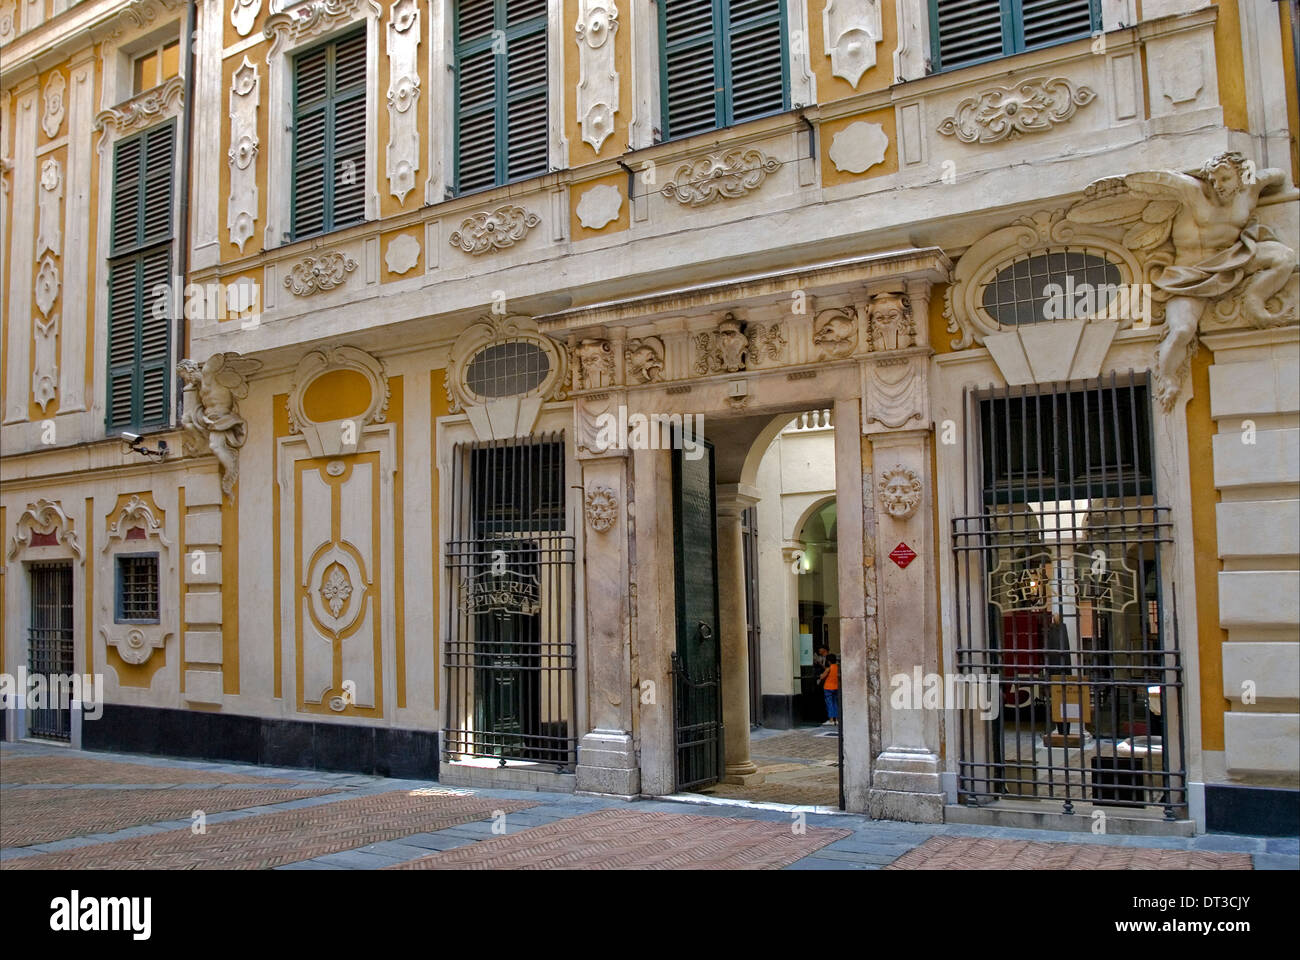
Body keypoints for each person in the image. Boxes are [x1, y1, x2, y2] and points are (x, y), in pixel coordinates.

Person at [819, 655, 840, 728]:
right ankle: (836, 720)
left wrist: (821, 674)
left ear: (829, 661)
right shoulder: (838, 668)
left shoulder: (828, 668)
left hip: (828, 688)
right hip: (836, 687)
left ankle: (831, 720)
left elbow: (822, 677)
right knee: (835, 703)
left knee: (829, 703)